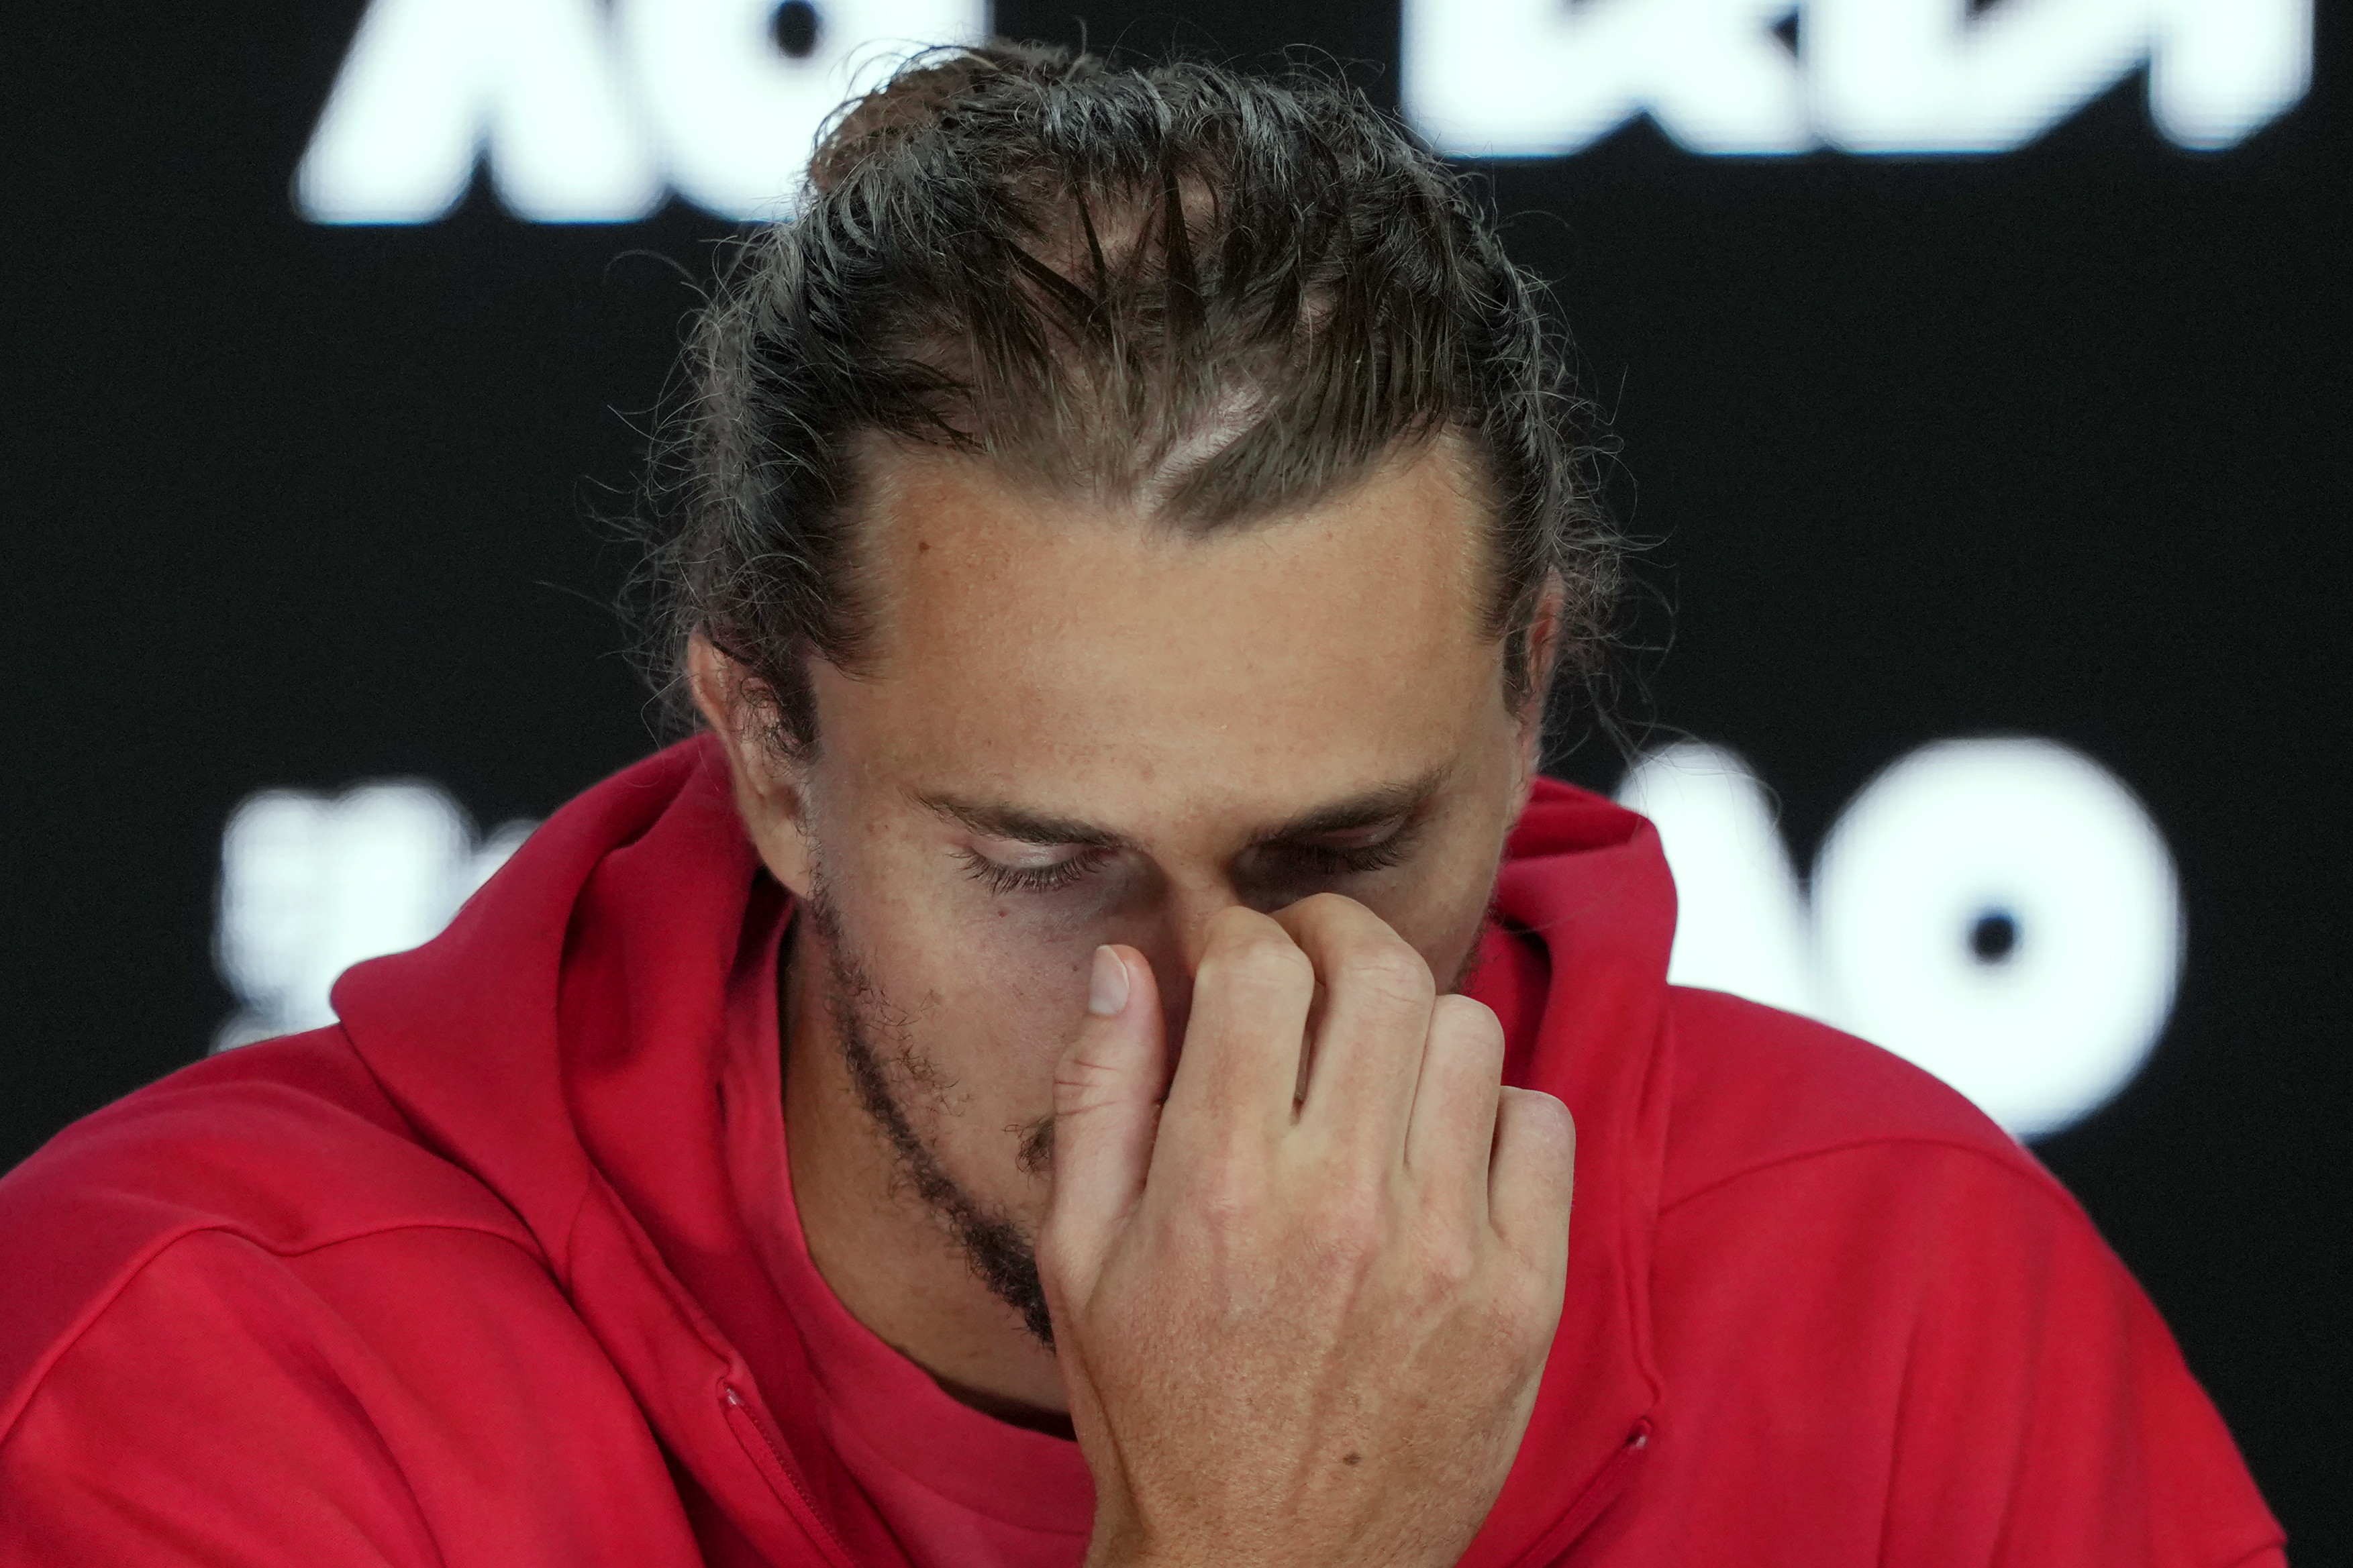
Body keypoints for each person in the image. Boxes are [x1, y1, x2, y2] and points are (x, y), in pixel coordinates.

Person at [0, 42, 2283, 1568]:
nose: (1202, 1006)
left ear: (1524, 705)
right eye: (1040, 860)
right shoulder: (200, 1363)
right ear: (773, 752)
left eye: (1339, 852)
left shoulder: (1902, 1298)